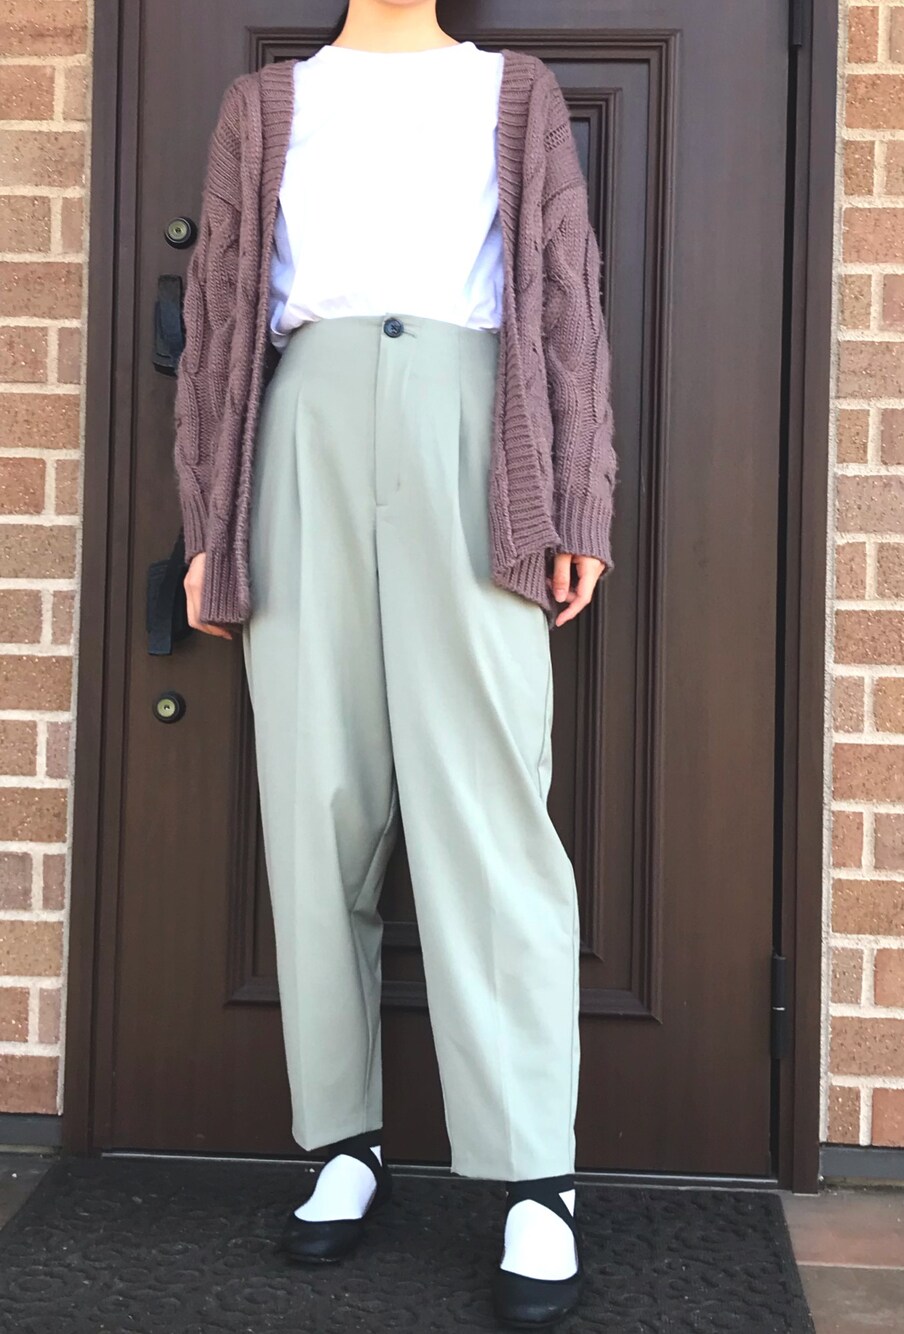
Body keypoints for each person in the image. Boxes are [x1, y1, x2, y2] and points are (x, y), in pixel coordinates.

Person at [172, 0, 617, 1325]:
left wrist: (578, 504)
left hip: (473, 438)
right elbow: (221, 323)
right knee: (317, 801)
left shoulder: (516, 93)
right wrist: (209, 528)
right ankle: (343, 1141)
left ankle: (536, 1174)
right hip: (303, 432)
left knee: (490, 806)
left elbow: (565, 301)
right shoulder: (266, 104)